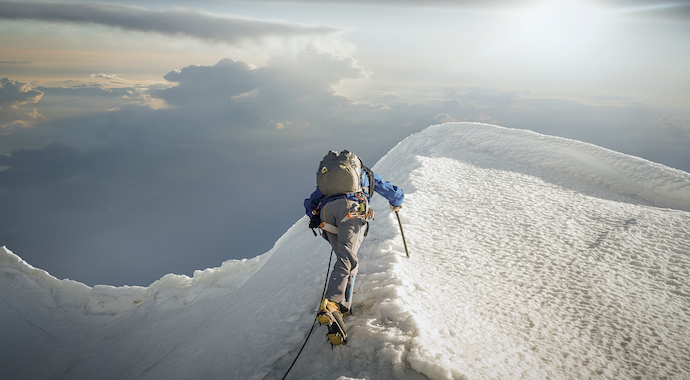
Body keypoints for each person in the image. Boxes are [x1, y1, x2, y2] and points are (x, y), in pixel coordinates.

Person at [304, 150, 403, 344]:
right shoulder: (364, 174)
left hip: (326, 216)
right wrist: (397, 203)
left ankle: (342, 307)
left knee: (347, 260)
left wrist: (315, 215)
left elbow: (310, 202)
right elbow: (389, 190)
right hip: (351, 210)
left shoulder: (328, 182)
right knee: (346, 259)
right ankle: (332, 302)